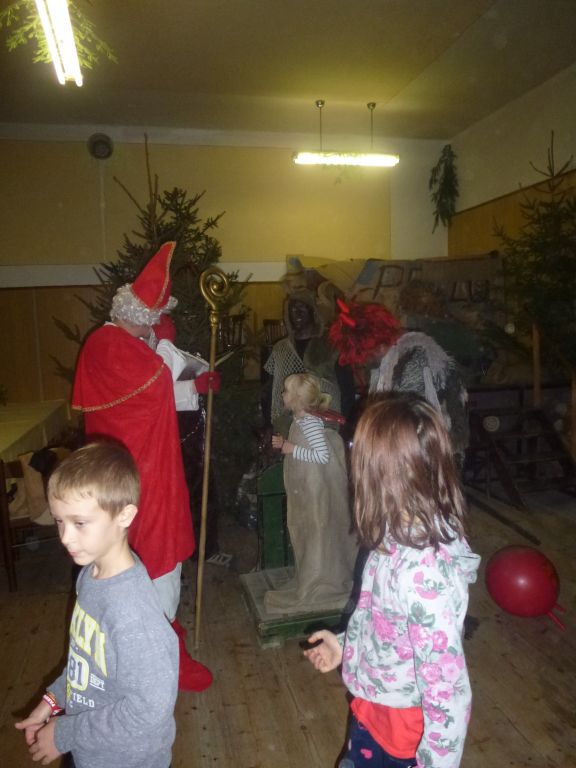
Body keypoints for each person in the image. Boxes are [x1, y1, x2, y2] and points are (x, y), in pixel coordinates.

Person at [72, 241, 218, 692]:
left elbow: (156, 392)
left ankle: (163, 642)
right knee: (149, 558)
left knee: (150, 558)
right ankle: (151, 661)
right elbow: (156, 385)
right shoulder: (112, 346)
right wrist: (168, 351)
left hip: (141, 469)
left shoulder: (118, 344)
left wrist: (190, 383)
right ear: (138, 315)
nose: (154, 326)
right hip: (137, 477)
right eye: (153, 320)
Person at [304, 394, 480, 768]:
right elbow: (383, 623)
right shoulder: (394, 536)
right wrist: (344, 645)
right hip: (375, 708)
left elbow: (447, 688)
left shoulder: (423, 575)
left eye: (357, 451)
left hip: (405, 734)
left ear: (381, 472)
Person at [15, 442, 178, 768]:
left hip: (127, 760)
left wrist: (64, 733)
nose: (65, 537)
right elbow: (85, 666)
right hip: (87, 747)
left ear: (124, 515)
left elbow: (150, 708)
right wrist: (51, 702)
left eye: (79, 523)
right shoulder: (89, 575)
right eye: (59, 521)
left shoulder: (132, 611)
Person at [329, 299, 469, 465]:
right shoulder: (392, 359)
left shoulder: (414, 361)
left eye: (364, 355)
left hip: (430, 457)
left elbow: (409, 425)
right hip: (417, 452)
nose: (362, 362)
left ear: (378, 345)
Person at [265, 373, 357, 614]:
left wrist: (291, 448)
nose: (282, 394)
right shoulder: (300, 420)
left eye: (286, 391)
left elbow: (321, 456)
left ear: (297, 398)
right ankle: (309, 574)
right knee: (306, 533)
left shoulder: (310, 423)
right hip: (305, 490)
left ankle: (319, 580)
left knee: (317, 532)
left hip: (315, 492)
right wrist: (285, 444)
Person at [264, 289, 355, 437]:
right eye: (293, 308)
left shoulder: (330, 344)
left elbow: (347, 388)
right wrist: (268, 424)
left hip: (326, 424)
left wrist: (346, 424)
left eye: (302, 307)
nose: (297, 313)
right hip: (287, 426)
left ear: (313, 311)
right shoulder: (280, 349)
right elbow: (270, 390)